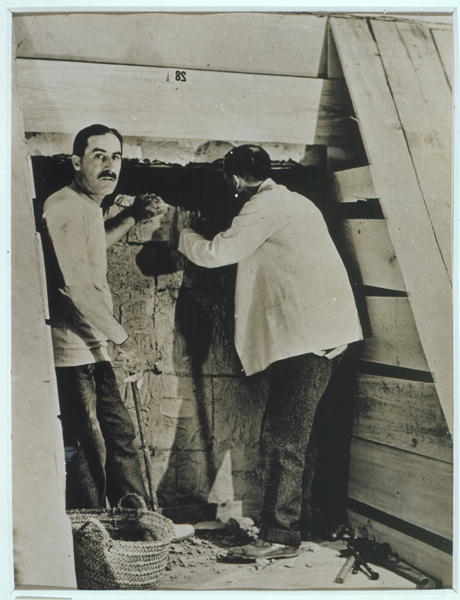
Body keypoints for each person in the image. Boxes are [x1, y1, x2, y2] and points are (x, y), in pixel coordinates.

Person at [178, 145, 363, 560]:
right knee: (296, 438)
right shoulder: (296, 203)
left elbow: (218, 253)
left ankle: (279, 537)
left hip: (307, 340)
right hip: (318, 335)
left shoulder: (264, 206)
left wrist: (184, 234)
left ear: (234, 180)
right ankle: (296, 527)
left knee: (283, 439)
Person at [42, 124, 193, 539]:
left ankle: (139, 524)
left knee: (121, 434)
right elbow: (75, 284)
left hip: (96, 345)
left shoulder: (87, 206)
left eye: (116, 157)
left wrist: (131, 216)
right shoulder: (64, 207)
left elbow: (94, 248)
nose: (110, 166)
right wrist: (123, 340)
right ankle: (92, 534)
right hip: (73, 349)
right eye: (98, 156)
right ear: (77, 162)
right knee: (89, 444)